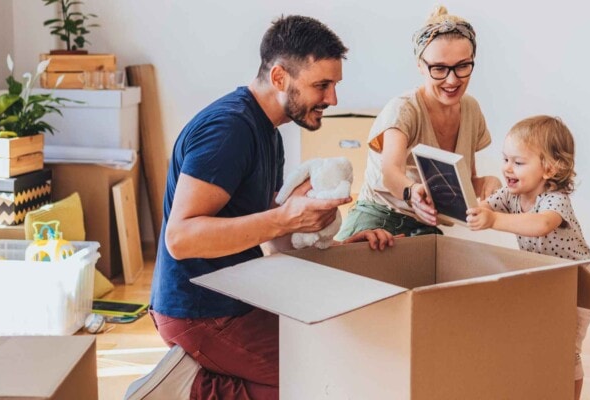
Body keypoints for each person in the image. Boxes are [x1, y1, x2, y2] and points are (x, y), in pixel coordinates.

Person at [149, 15, 396, 400]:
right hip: (199, 310)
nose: (333, 99)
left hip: (238, 297)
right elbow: (180, 239)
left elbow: (273, 237)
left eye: (334, 85)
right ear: (279, 77)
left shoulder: (268, 132)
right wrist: (284, 216)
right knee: (319, 376)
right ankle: (190, 388)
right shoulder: (228, 130)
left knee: (333, 356)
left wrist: (342, 247)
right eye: (322, 85)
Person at [335, 6, 501, 241]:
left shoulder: (471, 110)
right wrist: (411, 192)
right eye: (439, 68)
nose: (452, 80)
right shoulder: (404, 109)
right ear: (420, 65)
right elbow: (390, 172)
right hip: (378, 218)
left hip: (422, 228)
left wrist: (488, 183)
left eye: (463, 66)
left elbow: (465, 184)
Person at [465, 115, 590, 400]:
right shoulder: (512, 194)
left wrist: (493, 220)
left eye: (518, 162)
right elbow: (486, 206)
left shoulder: (554, 198)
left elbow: (540, 225)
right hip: (548, 278)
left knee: (566, 349)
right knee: (540, 339)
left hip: (579, 282)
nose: (507, 168)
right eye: (505, 159)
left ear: (549, 169)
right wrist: (476, 209)